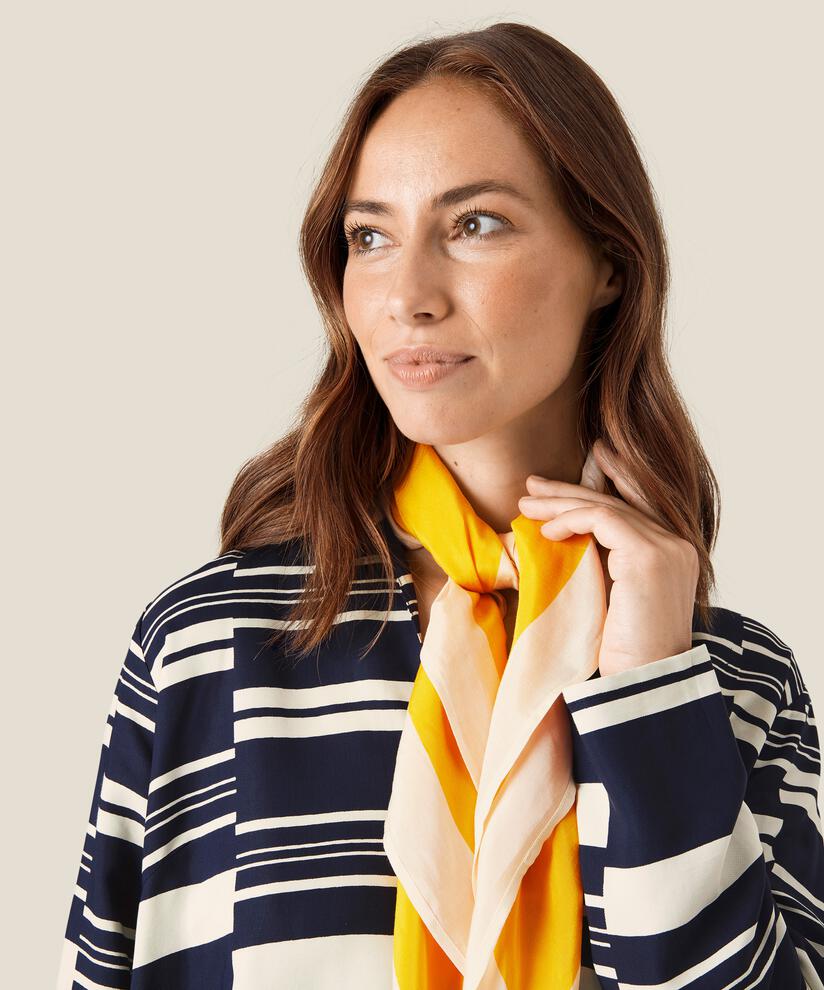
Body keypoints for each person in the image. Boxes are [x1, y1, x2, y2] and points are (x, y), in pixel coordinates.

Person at [56, 21, 824, 990]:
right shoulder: (213, 647)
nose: (407, 296)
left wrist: (651, 696)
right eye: (370, 237)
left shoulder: (729, 681)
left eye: (474, 225)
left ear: (608, 262)